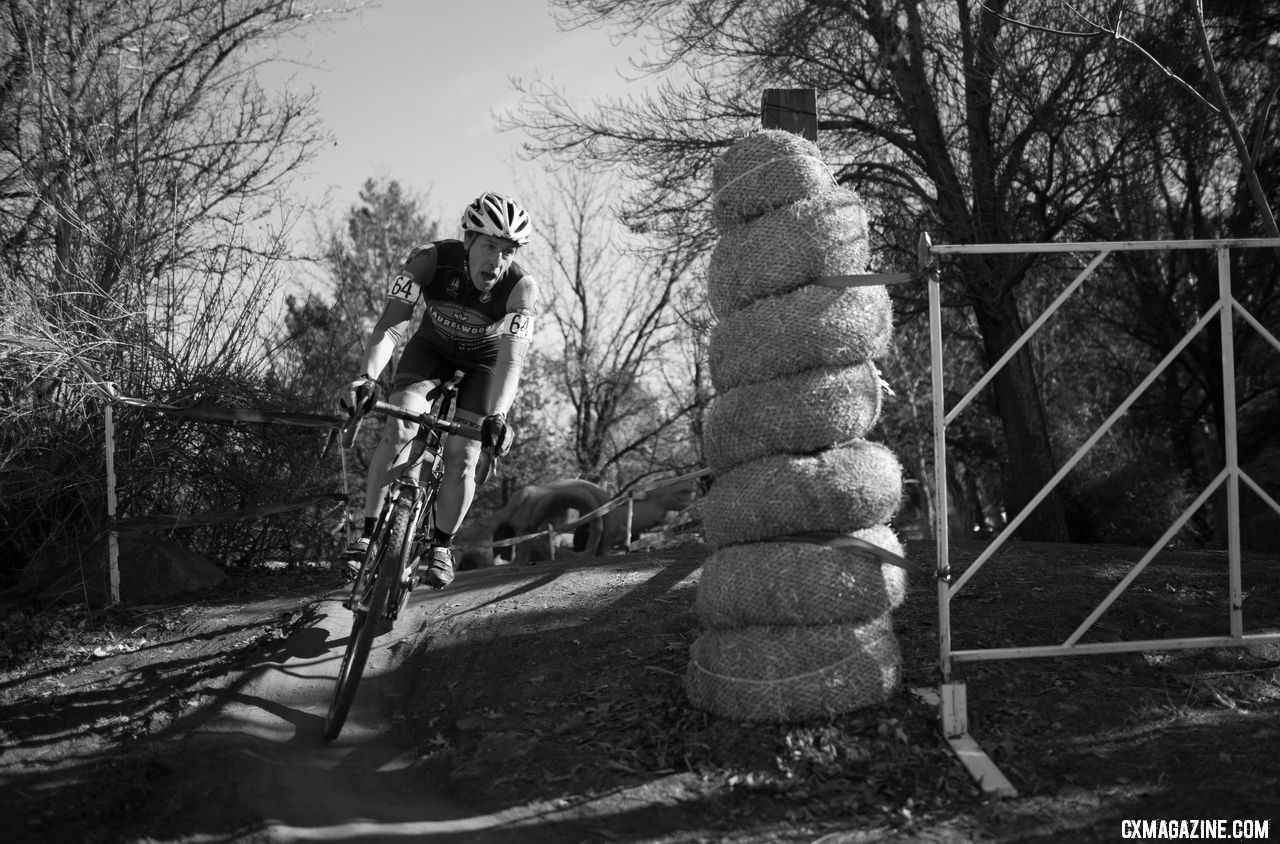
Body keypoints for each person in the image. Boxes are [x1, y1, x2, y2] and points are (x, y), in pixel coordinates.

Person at [340, 192, 538, 589]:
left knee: (464, 454)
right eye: (488, 246)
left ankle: (442, 545)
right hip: (429, 352)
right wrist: (367, 377)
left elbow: (510, 362)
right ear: (467, 241)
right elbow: (391, 326)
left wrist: (498, 415)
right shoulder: (428, 259)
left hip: (483, 365)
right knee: (400, 430)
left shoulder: (521, 287)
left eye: (507, 251)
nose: (497, 261)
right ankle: (367, 535)